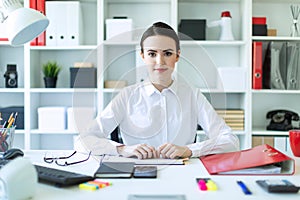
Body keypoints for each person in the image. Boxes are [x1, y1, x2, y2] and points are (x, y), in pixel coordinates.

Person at [79, 22, 239, 159]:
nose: (160, 61)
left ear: (177, 56)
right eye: (152, 54)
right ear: (143, 56)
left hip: (182, 173)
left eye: (167, 53)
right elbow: (83, 139)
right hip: (137, 173)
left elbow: (230, 140)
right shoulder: (127, 95)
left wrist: (190, 150)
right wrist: (123, 149)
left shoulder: (192, 95)